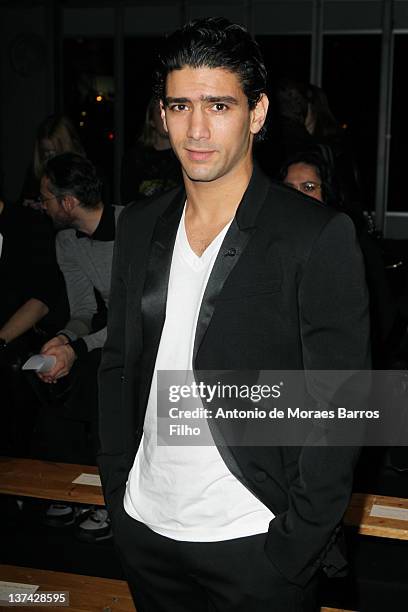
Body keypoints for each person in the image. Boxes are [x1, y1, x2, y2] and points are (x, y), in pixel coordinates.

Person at [98, 18, 370, 611]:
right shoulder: (141, 224)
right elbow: (119, 365)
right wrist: (118, 496)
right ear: (163, 114)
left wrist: (295, 546)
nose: (196, 129)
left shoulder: (315, 235)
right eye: (180, 106)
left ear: (257, 112)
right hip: (146, 529)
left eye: (218, 104)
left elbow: (343, 406)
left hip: (256, 545)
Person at [35, 152, 123, 538]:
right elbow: (85, 309)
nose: (42, 205)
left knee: (98, 376)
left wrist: (79, 348)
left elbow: (136, 319)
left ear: (68, 203)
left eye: (47, 198)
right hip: (112, 333)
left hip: (152, 336)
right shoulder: (67, 242)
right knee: (46, 373)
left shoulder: (131, 226)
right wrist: (64, 339)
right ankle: (71, 486)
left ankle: (109, 498)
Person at [120, 97, 183, 204]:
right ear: (151, 121)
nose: (166, 117)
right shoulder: (135, 158)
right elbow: (128, 200)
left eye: (171, 111)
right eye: (160, 112)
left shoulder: (185, 156)